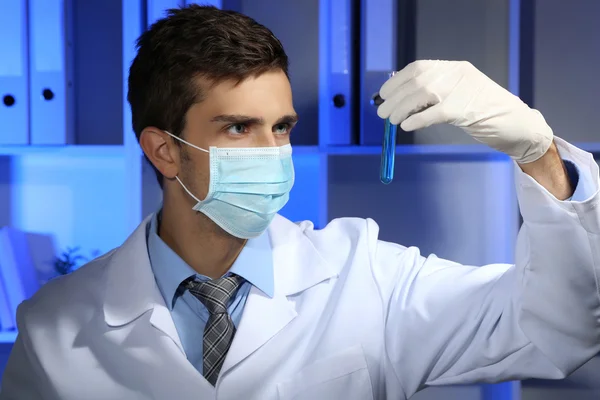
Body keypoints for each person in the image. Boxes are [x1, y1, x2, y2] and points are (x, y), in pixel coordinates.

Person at [2, 4, 599, 400]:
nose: (273, 152)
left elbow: (560, 329)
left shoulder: (367, 276)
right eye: (239, 129)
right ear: (163, 151)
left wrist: (538, 153)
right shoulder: (55, 331)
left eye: (282, 127)